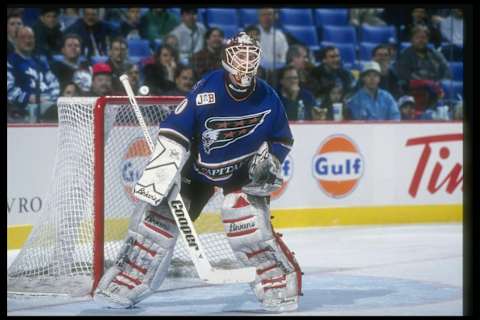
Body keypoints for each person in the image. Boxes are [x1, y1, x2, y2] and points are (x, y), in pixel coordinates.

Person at [93, 32, 302, 312]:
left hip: (242, 173)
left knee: (246, 226)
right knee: (156, 221)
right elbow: (176, 129)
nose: (246, 62)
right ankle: (128, 281)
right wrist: (163, 170)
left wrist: (272, 162)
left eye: (251, 56)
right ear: (227, 58)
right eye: (240, 55)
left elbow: (282, 139)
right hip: (200, 172)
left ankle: (277, 282)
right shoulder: (208, 90)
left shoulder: (268, 96)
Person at [7, 26, 60, 123]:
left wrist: (47, 99)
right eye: (23, 37)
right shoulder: (10, 61)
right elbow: (8, 88)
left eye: (31, 37)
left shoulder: (41, 62)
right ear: (15, 40)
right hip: (23, 108)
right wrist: (28, 98)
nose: (28, 40)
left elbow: (54, 83)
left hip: (47, 104)